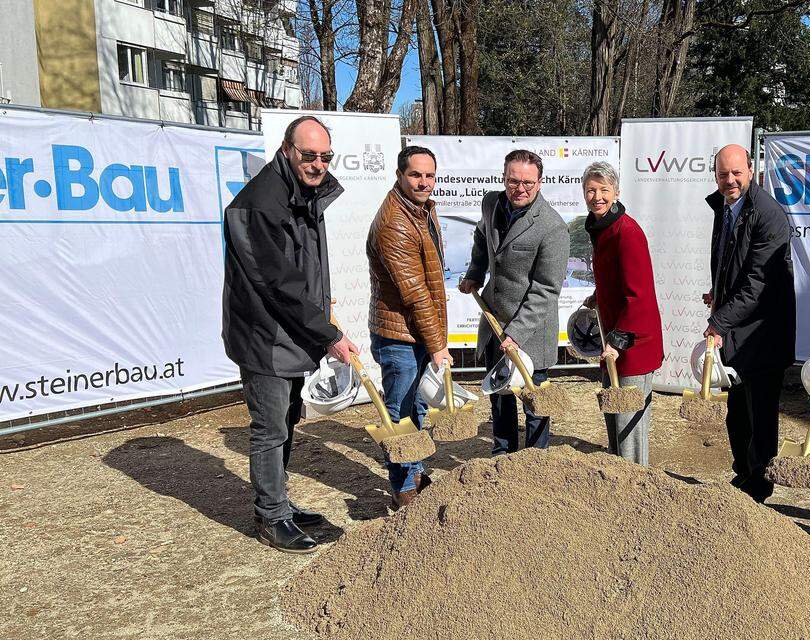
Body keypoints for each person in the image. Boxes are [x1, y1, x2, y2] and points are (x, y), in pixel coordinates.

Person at [222, 115, 358, 554]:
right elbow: (280, 283)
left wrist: (322, 325)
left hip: (292, 331)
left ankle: (280, 501)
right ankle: (270, 516)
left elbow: (304, 275)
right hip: (265, 334)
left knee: (286, 422)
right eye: (309, 155)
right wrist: (328, 334)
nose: (318, 164)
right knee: (270, 428)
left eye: (325, 156)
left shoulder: (303, 193)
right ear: (287, 150)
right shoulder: (263, 203)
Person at [703, 145, 796, 503]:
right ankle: (743, 474)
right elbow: (732, 263)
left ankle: (760, 486)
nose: (730, 180)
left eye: (736, 173)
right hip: (736, 329)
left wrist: (718, 322)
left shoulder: (767, 213)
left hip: (763, 331)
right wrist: (719, 293)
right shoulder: (724, 206)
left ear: (751, 170)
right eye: (723, 174)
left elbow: (759, 282)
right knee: (737, 411)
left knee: (760, 414)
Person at [459, 150, 568, 454]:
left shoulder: (552, 227)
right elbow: (482, 236)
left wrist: (517, 333)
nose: (520, 189)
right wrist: (475, 272)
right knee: (500, 393)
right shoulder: (491, 203)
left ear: (540, 182)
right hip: (495, 322)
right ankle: (502, 456)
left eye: (528, 183)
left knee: (535, 402)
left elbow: (546, 289)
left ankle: (536, 461)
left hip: (532, 329)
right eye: (513, 181)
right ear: (503, 178)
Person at [366, 145, 451, 509]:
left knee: (415, 407)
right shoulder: (396, 224)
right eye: (416, 175)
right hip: (399, 334)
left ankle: (414, 471)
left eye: (429, 175)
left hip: (413, 330)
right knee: (400, 412)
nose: (424, 182)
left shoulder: (420, 211)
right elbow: (415, 293)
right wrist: (437, 346)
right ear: (400, 175)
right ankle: (404, 489)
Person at [580, 161, 664, 466]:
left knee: (629, 427)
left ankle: (635, 489)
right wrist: (598, 296)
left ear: (616, 192)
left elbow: (638, 295)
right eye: (591, 190)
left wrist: (616, 341)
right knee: (615, 417)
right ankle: (620, 479)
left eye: (604, 189)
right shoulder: (602, 229)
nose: (597, 196)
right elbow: (618, 280)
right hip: (615, 341)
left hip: (632, 344)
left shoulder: (626, 232)